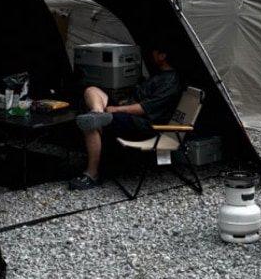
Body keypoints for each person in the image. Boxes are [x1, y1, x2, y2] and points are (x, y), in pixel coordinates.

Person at [68, 46, 183, 190]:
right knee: (92, 91)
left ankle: (92, 174)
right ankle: (97, 114)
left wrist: (117, 109)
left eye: (154, 50)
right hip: (129, 114)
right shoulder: (160, 74)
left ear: (162, 55)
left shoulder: (170, 82)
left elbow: (144, 109)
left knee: (90, 125)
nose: (151, 53)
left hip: (143, 125)